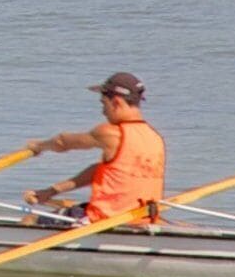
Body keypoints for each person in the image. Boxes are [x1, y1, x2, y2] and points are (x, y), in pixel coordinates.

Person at [24, 71, 168, 225]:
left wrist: (39, 146)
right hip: (143, 219)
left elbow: (63, 142)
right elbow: (102, 172)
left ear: (116, 102)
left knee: (30, 219)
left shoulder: (112, 133)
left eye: (104, 104)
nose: (103, 111)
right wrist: (52, 191)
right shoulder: (155, 138)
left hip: (105, 219)